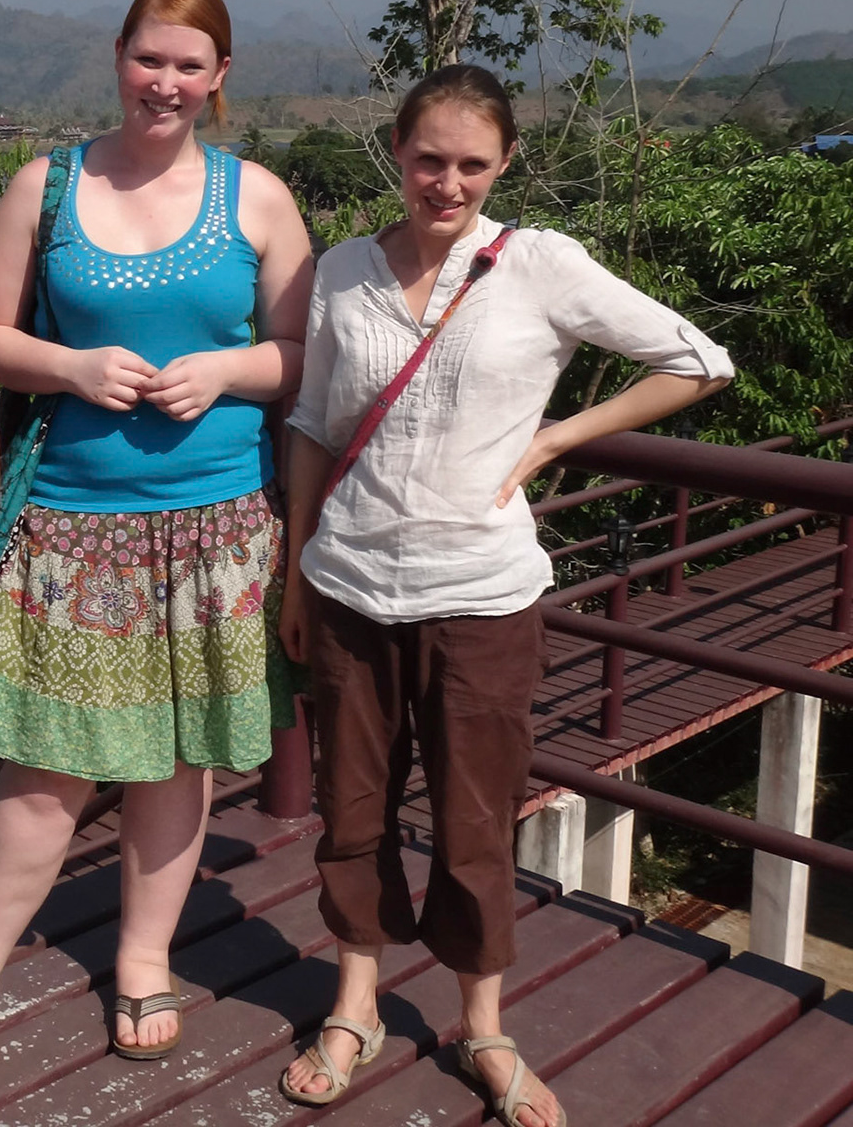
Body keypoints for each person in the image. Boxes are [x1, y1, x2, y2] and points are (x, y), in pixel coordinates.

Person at [275, 65, 733, 1127]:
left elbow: (697, 359)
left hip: (482, 594)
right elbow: (313, 426)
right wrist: (297, 568)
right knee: (352, 810)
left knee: (475, 819)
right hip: (347, 584)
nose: (447, 183)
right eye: (429, 159)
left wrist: (561, 437)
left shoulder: (539, 265)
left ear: (505, 164)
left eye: (472, 165)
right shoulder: (344, 269)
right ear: (396, 149)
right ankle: (355, 1004)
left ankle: (483, 1025)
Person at [0, 0, 314, 1076]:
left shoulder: (260, 199)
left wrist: (228, 368)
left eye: (191, 65)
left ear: (220, 77)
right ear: (119, 58)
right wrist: (70, 365)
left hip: (218, 530)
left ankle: (144, 960)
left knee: (176, 763)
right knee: (45, 771)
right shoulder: (45, 188)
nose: (167, 83)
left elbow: (299, 357)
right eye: (151, 60)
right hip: (73, 522)